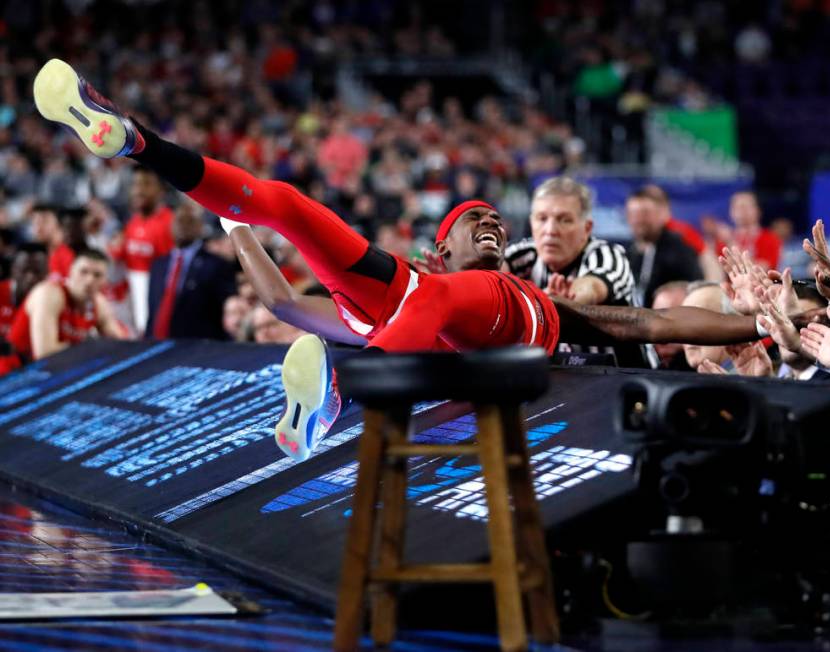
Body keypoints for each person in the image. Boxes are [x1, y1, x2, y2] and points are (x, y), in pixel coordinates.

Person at [34, 58, 559, 463]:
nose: (492, 225)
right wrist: (238, 228)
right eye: (476, 221)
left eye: (496, 222)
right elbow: (282, 302)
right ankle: (136, 141)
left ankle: (139, 143)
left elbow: (283, 304)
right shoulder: (403, 291)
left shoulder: (493, 289)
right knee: (283, 202)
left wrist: (238, 228)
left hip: (427, 336)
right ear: (442, 250)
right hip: (404, 320)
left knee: (293, 215)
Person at [504, 176, 650, 366]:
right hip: (559, 379)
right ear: (531, 223)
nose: (550, 230)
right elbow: (489, 280)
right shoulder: (522, 254)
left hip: (625, 377)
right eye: (542, 218)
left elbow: (592, 286)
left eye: (564, 220)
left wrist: (567, 301)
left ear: (587, 228)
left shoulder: (607, 254)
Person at [7, 248, 125, 361]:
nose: (89, 280)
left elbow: (121, 345)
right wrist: (91, 347)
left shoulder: (99, 303)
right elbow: (44, 353)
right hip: (11, 374)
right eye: (83, 272)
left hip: (52, 374)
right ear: (71, 272)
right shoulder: (49, 294)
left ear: (105, 281)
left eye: (97, 275)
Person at [145, 199, 236, 340]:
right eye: (179, 221)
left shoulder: (217, 265)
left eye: (189, 221)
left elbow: (224, 314)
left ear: (200, 227)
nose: (183, 226)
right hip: (156, 346)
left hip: (197, 348)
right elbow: (153, 311)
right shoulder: (158, 265)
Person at [109, 166, 175, 335]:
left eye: (146, 184)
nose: (139, 190)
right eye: (136, 184)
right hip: (132, 303)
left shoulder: (170, 224)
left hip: (158, 300)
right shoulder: (132, 224)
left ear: (161, 190)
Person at [626, 188, 702, 307]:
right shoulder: (629, 252)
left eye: (645, 213)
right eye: (632, 214)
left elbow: (695, 289)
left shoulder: (679, 249)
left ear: (661, 215)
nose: (637, 220)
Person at [0, 244, 48, 375]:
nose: (30, 278)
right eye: (24, 270)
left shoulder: (51, 303)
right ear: (13, 271)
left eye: (37, 272)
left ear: (47, 273)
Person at [728, 191, 781, 270]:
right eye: (737, 207)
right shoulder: (722, 240)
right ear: (731, 212)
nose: (742, 211)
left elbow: (763, 268)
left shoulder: (770, 238)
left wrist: (730, 241)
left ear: (759, 210)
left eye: (746, 206)